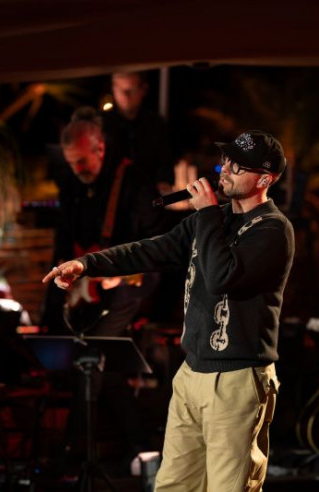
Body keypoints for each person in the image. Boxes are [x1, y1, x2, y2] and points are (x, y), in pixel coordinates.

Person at [43, 129, 295, 491]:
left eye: (239, 167)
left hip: (238, 379)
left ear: (265, 179)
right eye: (226, 160)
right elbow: (150, 250)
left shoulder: (273, 230)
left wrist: (207, 213)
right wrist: (87, 264)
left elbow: (222, 277)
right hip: (191, 373)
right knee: (172, 486)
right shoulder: (214, 219)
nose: (226, 170)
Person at [42, 106, 166, 336]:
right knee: (55, 320)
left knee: (107, 323)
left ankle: (99, 350)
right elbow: (64, 234)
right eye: (71, 163)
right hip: (84, 282)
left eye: (81, 161)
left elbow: (157, 244)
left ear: (100, 148)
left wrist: (122, 272)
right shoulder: (71, 183)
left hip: (126, 279)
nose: (77, 169)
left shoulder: (135, 182)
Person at [102, 71, 174, 192]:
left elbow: (165, 163)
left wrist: (164, 182)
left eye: (131, 90)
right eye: (119, 89)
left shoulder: (156, 124)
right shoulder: (101, 125)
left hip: (149, 195)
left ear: (143, 90)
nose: (125, 95)